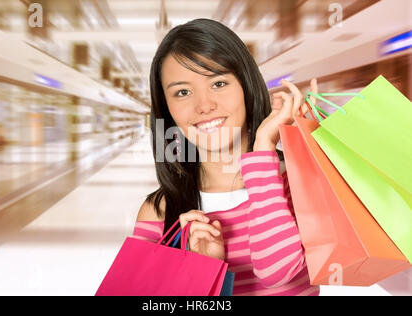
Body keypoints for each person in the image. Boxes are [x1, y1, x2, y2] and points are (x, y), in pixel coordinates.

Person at [133, 18, 320, 296]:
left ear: (245, 85)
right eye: (182, 92)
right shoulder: (159, 212)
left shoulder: (298, 183)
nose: (204, 105)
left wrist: (264, 149)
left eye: (218, 83)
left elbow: (277, 272)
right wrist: (203, 272)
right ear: (166, 107)